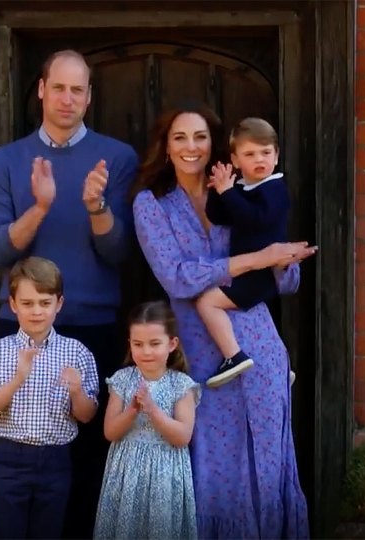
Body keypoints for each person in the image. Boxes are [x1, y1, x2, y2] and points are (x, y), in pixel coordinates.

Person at [131, 103, 315, 538]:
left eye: (200, 137)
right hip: (202, 356)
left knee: (268, 463)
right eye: (180, 138)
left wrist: (283, 261)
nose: (191, 147)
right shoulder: (151, 204)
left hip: (260, 347)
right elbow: (177, 277)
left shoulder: (243, 192)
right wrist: (257, 258)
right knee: (212, 467)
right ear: (166, 147)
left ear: (216, 147)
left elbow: (286, 282)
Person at [0, 49, 139, 537]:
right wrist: (41, 207)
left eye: (79, 90)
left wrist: (95, 207)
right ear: (42, 90)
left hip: (92, 326)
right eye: (60, 88)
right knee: (18, 449)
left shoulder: (118, 157)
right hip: (22, 324)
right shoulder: (6, 160)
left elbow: (120, 252)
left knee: (89, 453)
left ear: (90, 97)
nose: (68, 99)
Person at [0, 256, 100, 539]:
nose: (37, 311)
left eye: (45, 303)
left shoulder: (76, 353)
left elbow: (87, 415)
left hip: (56, 460)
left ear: (59, 304)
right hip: (10, 458)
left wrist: (77, 391)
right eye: (28, 303)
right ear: (13, 304)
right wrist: (17, 379)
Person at [197, 117, 296, 388]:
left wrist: (229, 193)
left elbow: (255, 220)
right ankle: (277, 363)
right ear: (236, 160)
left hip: (261, 274)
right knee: (255, 317)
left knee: (207, 302)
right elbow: (218, 217)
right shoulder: (243, 189)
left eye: (266, 152)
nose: (259, 159)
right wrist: (219, 191)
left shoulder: (275, 189)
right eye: (250, 154)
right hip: (247, 271)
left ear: (276, 156)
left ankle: (233, 356)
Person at [94, 301, 200, 540]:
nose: (146, 352)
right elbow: (110, 432)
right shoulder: (122, 380)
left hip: (165, 473)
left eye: (155, 344)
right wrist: (132, 410)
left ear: (172, 344)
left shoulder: (181, 384)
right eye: (138, 344)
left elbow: (182, 437)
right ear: (129, 344)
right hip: (126, 471)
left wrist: (152, 409)